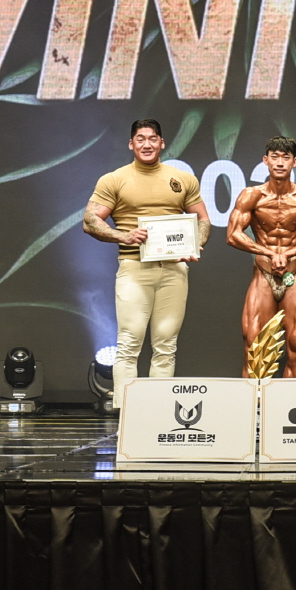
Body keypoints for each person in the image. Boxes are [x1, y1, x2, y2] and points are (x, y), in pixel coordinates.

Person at [83, 119, 212, 406]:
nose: (147, 144)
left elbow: (203, 219)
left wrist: (195, 243)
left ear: (162, 143)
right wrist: (124, 235)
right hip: (134, 268)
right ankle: (126, 412)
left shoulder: (183, 179)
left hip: (174, 269)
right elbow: (90, 220)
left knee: (166, 344)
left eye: (153, 138)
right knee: (129, 342)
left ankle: (158, 412)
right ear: (131, 144)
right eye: (140, 139)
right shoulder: (114, 179)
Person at [225, 136, 296, 378]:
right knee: (254, 347)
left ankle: (289, 400)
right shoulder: (251, 195)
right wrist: (270, 253)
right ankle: (254, 402)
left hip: (293, 275)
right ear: (266, 160)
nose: (280, 162)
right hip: (263, 274)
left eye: (286, 157)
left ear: (295, 162)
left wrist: (288, 253)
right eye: (275, 157)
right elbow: (232, 235)